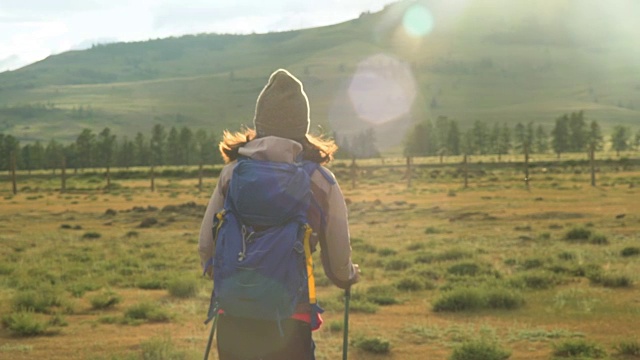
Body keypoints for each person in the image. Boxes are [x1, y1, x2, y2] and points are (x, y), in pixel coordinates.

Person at [199, 68, 359, 360]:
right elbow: (338, 257)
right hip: (289, 318)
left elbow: (206, 246)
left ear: (260, 121)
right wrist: (347, 277)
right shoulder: (321, 181)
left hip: (233, 315)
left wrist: (228, 278)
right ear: (302, 124)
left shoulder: (232, 173)